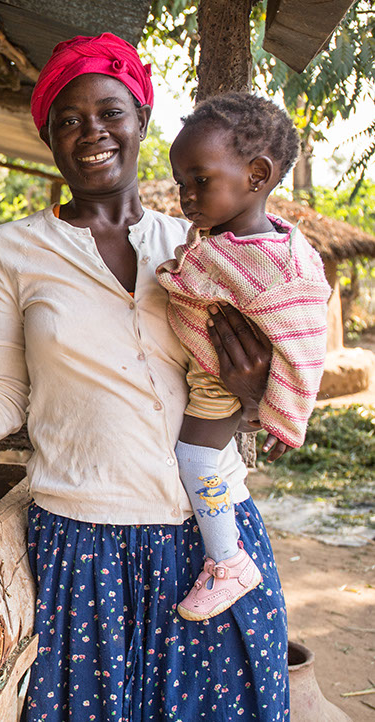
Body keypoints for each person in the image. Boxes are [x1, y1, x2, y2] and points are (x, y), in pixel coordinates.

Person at [0, 34, 290, 720]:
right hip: (86, 547)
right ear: (47, 136)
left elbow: (255, 382)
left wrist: (255, 393)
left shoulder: (199, 244)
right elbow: (0, 394)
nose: (91, 133)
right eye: (68, 119)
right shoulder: (14, 249)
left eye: (110, 111)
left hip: (211, 543)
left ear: (141, 119)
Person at [158, 93, 332, 622]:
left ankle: (229, 561)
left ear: (257, 174)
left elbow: (302, 342)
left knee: (197, 458)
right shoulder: (233, 241)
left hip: (217, 381)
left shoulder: (271, 262)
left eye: (199, 180)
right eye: (180, 183)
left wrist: (281, 410)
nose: (186, 195)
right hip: (216, 372)